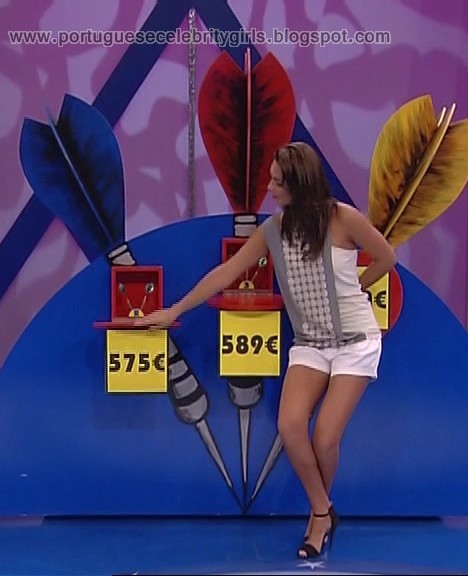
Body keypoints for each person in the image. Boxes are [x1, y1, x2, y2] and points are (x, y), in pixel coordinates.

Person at [134, 142, 396, 558]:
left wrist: (356, 287)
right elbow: (226, 273)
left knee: (325, 437)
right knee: (290, 426)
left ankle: (317, 521)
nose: (269, 188)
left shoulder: (343, 218)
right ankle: (324, 511)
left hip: (356, 343)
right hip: (310, 345)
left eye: (277, 182)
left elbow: (386, 257)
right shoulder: (274, 230)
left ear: (299, 183)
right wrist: (174, 310)